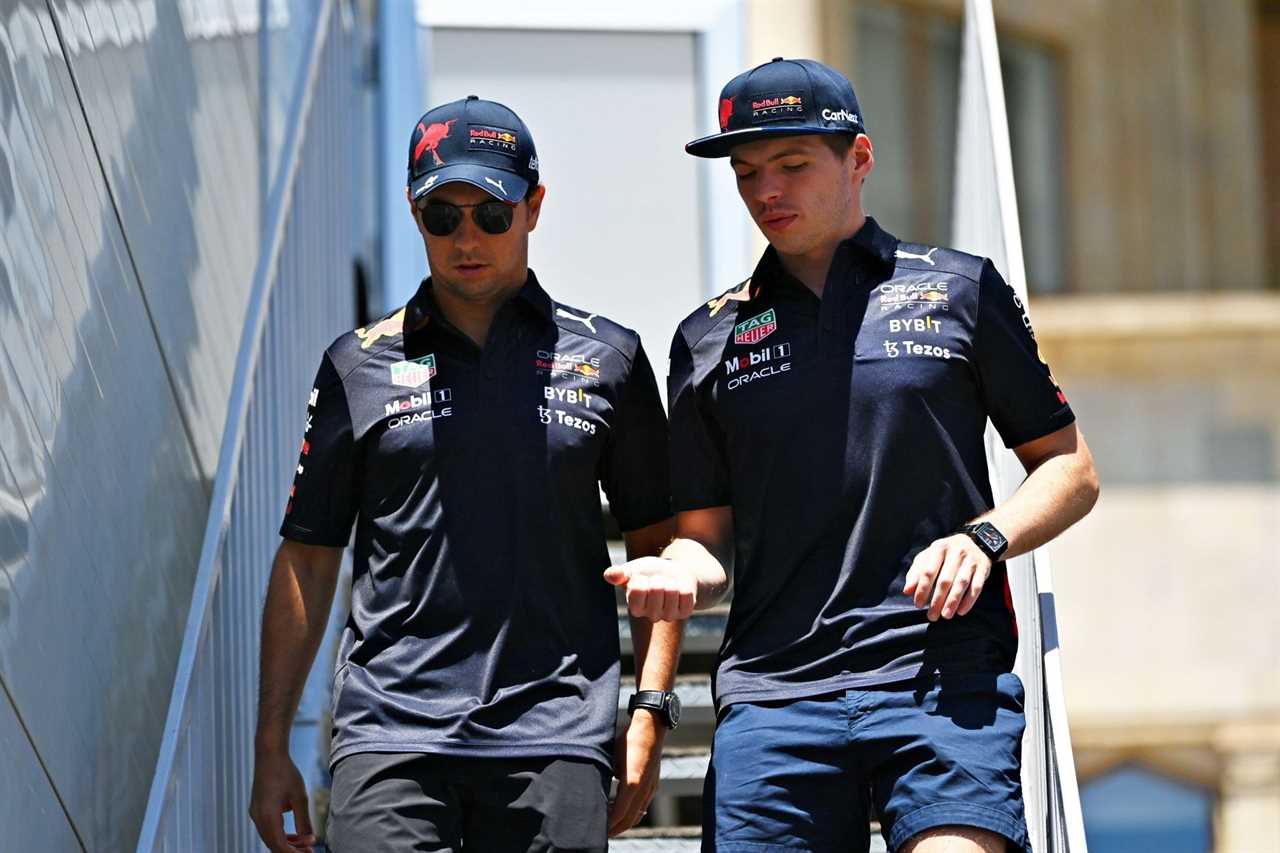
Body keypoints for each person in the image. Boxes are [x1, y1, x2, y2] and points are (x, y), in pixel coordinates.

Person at [612, 58, 1100, 853]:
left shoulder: (958, 289)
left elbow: (1071, 469)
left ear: (859, 159)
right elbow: (705, 541)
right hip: (775, 696)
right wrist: (679, 570)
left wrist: (985, 536)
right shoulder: (705, 338)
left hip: (942, 679)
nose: (767, 190)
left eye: (793, 165)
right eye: (747, 173)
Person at [249, 96, 684, 853]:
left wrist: (649, 709)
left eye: (491, 212)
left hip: (556, 732)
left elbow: (659, 551)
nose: (466, 238)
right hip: (389, 735)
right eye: (441, 217)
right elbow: (308, 556)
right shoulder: (357, 363)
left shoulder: (610, 358)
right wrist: (270, 743)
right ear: (415, 217)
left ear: (535, 207)